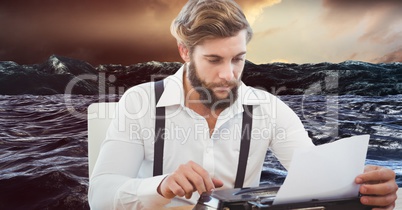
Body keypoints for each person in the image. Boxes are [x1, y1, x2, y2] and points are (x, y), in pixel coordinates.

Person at [88, 0, 398, 209]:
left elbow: (316, 180)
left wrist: (362, 188)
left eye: (238, 59)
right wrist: (161, 186)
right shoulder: (139, 102)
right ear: (185, 52)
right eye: (214, 60)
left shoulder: (270, 110)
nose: (229, 74)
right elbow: (100, 196)